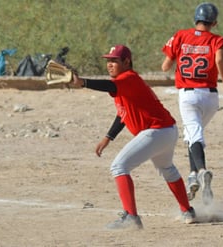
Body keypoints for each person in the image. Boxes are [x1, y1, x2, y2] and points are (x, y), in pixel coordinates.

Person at [72, 45, 196, 230]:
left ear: (126, 62)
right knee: (167, 169)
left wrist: (83, 82)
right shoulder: (125, 83)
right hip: (167, 131)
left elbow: (108, 86)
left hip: (156, 131)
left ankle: (131, 217)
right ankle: (188, 211)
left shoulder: (128, 78)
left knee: (119, 166)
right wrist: (108, 138)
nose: (110, 64)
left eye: (114, 60)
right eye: (108, 61)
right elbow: (123, 114)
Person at [161, 2, 223, 205]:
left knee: (193, 133)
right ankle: (192, 173)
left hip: (188, 95)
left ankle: (201, 171)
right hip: (210, 96)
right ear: (214, 23)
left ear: (195, 19)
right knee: (194, 135)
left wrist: (176, 57)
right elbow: (219, 60)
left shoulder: (181, 35)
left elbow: (165, 66)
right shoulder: (217, 40)